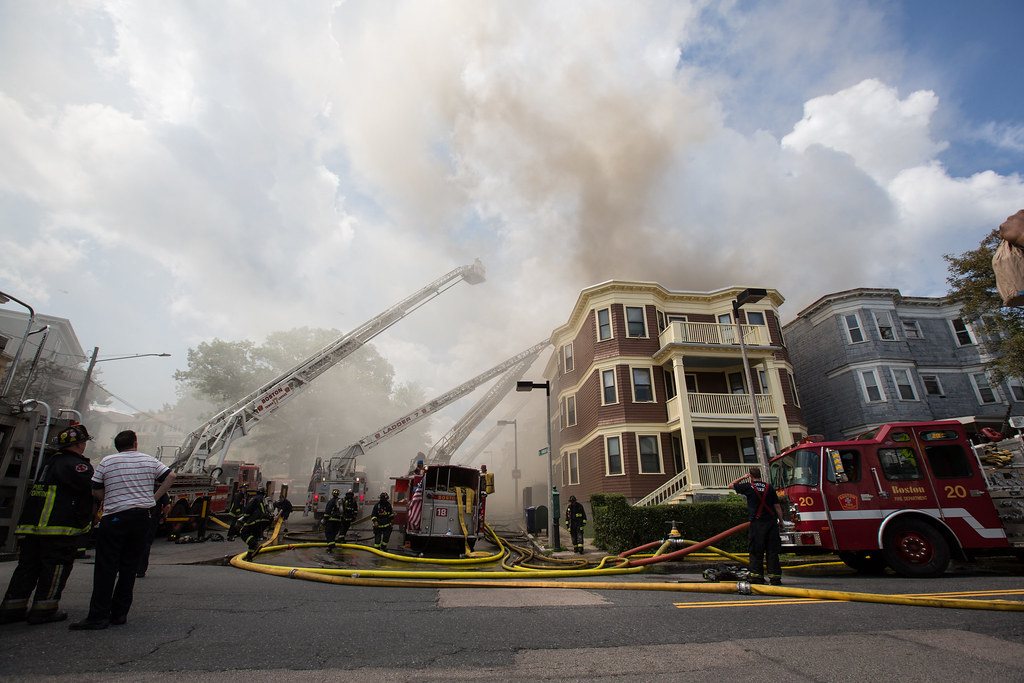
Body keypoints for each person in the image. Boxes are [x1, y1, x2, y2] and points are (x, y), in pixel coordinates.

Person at [70, 430, 175, 630]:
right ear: (135, 443)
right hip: (141, 517)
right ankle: (119, 614)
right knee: (129, 567)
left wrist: (109, 499)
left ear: (117, 446)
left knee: (106, 566)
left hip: (115, 517)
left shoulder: (107, 462)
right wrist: (153, 499)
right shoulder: (149, 460)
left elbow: (95, 489)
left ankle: (98, 616)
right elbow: (171, 475)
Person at [0, 425, 96, 625]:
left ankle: (12, 608)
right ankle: (44, 609)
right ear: (79, 444)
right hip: (58, 527)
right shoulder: (78, 466)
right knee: (56, 567)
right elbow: (89, 491)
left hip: (33, 527)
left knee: (27, 566)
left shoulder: (49, 463)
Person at [730, 467, 784, 586]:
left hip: (758, 523)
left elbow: (731, 485)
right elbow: (777, 506)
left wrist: (743, 478)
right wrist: (781, 521)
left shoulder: (749, 487)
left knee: (756, 551)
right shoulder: (769, 487)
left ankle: (757, 577)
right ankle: (775, 578)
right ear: (760, 475)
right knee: (772, 551)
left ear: (750, 475)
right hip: (771, 523)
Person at [136, 490, 170, 578]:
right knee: (146, 543)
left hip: (138, 517)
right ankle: (140, 570)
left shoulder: (143, 486)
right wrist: (164, 516)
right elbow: (167, 506)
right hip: (152, 519)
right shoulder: (161, 490)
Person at [239, 486, 271, 561]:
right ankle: (249, 557)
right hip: (263, 521)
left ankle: (256, 545)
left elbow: (248, 508)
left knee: (244, 533)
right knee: (253, 537)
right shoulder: (264, 499)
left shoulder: (255, 498)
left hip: (255, 520)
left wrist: (245, 518)